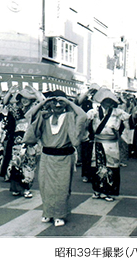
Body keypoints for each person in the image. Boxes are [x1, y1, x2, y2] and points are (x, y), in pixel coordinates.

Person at [23, 90, 87, 227]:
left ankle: (59, 215)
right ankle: (47, 212)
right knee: (45, 187)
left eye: (61, 102)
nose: (57, 105)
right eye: (55, 102)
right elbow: (29, 115)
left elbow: (83, 116)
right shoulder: (44, 116)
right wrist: (44, 102)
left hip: (64, 157)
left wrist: (69, 102)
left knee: (61, 187)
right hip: (47, 157)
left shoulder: (70, 116)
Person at [87, 88, 134, 202]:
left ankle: (108, 191)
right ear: (101, 101)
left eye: (110, 101)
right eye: (106, 101)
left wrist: (126, 132)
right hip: (98, 142)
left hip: (112, 143)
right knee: (98, 166)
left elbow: (129, 122)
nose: (108, 103)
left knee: (111, 167)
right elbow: (85, 122)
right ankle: (97, 190)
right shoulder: (93, 112)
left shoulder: (118, 112)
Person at [3, 85, 44, 198]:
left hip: (31, 139)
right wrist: (10, 93)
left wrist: (36, 93)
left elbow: (42, 102)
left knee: (29, 164)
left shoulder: (35, 109)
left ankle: (26, 188)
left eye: (27, 98)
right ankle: (16, 188)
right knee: (16, 163)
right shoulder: (16, 109)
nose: (25, 100)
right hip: (18, 139)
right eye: (22, 98)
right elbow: (5, 103)